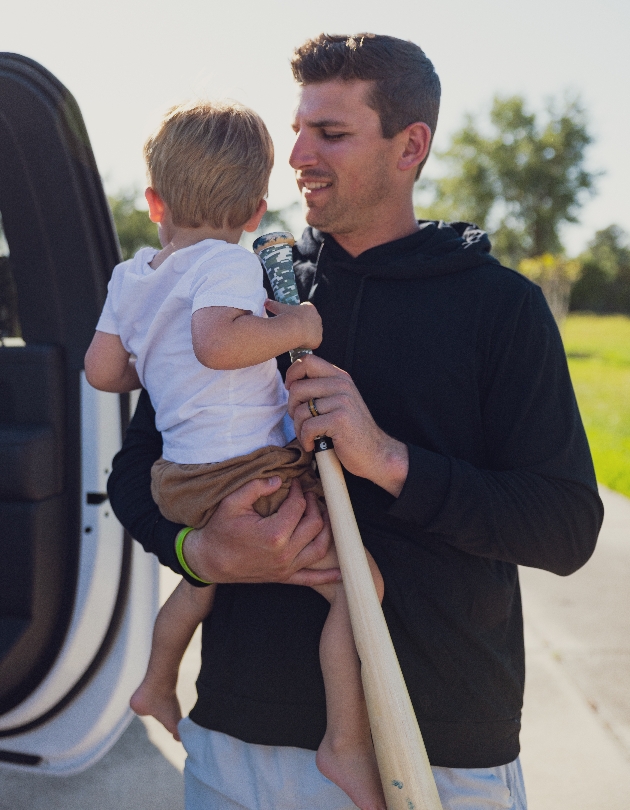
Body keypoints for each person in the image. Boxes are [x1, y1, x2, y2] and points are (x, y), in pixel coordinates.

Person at [107, 34, 604, 810]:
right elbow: (135, 473)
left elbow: (566, 527)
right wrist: (200, 550)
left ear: (411, 145)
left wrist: (390, 459)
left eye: (330, 133)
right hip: (236, 749)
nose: (297, 153)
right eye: (298, 127)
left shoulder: (497, 306)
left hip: (436, 756)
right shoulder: (241, 283)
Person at [86, 99, 387, 809]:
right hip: (244, 471)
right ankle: (343, 744)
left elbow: (103, 372)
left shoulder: (133, 276)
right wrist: (301, 325)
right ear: (256, 212)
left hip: (178, 481)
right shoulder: (227, 265)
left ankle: (157, 684)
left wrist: (150, 359)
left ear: (154, 198)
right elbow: (218, 344)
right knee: (359, 586)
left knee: (201, 580)